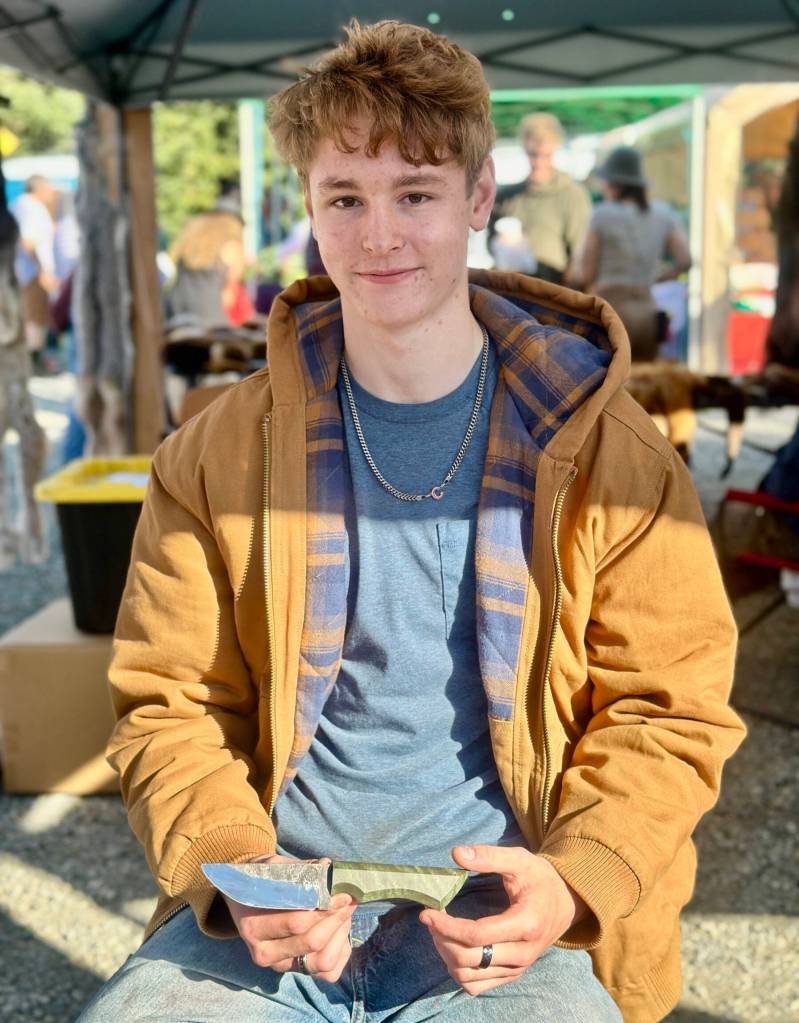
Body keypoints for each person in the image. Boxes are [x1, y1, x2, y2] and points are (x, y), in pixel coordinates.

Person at [77, 20, 743, 1023]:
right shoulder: (214, 453)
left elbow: (669, 708)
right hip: (280, 912)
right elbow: (169, 702)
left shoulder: (613, 455)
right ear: (308, 207)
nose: (377, 236)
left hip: (507, 928)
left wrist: (572, 879)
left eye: (415, 195)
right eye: (345, 198)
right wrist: (234, 868)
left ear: (479, 198)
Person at [577, 145, 692, 362]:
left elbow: (586, 273)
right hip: (647, 313)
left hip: (610, 313)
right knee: (645, 385)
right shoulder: (663, 214)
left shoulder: (601, 215)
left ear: (616, 183)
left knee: (613, 386)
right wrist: (657, 279)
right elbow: (685, 260)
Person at [490, 113, 590, 284]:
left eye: (545, 155)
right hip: (513, 289)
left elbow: (580, 253)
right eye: (533, 155)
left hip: (554, 289)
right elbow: (491, 242)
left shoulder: (572, 195)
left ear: (555, 150)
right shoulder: (508, 197)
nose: (538, 162)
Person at [9, 173, 58, 356]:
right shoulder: (31, 208)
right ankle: (32, 359)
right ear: (41, 189)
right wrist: (42, 270)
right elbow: (28, 242)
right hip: (31, 274)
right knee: (34, 318)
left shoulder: (19, 205)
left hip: (23, 272)